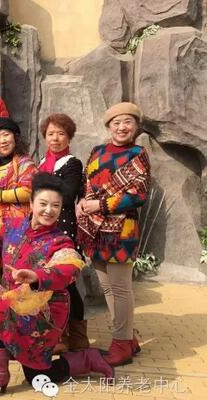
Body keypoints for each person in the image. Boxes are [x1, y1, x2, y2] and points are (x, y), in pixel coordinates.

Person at [0, 173, 114, 399]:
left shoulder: (60, 241)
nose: (49, 210)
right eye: (43, 204)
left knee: (34, 373)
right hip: (14, 306)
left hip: (44, 312)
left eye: (55, 206)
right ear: (32, 203)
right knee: (0, 308)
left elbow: (70, 268)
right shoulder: (10, 227)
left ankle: (84, 359)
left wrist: (36, 276)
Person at [77, 102, 150, 367]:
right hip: (95, 230)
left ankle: (121, 344)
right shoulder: (97, 151)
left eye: (128, 122)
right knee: (107, 286)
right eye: (116, 123)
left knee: (120, 288)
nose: (122, 127)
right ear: (109, 126)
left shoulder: (138, 154)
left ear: (136, 126)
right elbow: (86, 183)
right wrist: (81, 203)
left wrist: (100, 205)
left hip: (122, 231)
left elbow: (138, 196)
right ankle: (128, 338)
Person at [38, 113, 89, 353]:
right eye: (51, 134)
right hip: (43, 230)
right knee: (48, 283)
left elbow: (67, 196)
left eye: (61, 134)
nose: (55, 138)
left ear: (69, 137)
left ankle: (78, 337)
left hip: (64, 230)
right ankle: (57, 335)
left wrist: (43, 188)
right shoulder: (42, 162)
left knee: (67, 283)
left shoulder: (72, 163)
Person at [0, 117, 37, 228]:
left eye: (6, 135)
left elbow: (29, 191)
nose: (3, 141)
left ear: (15, 138)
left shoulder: (24, 162)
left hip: (19, 227)